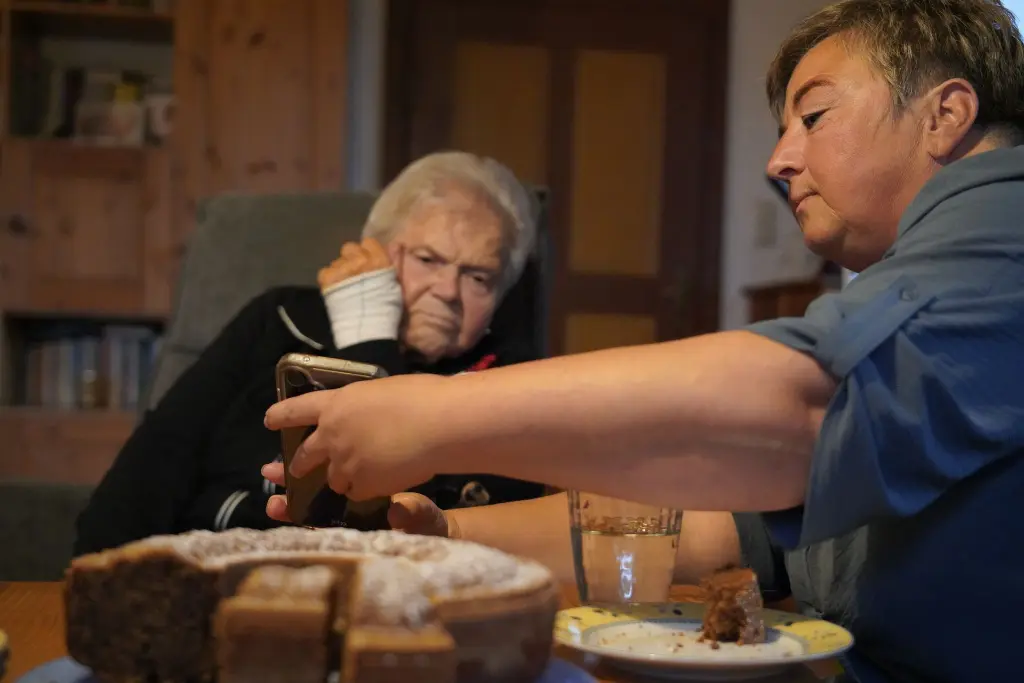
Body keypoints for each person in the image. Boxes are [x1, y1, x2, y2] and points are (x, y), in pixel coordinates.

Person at [263, 1, 1024, 681]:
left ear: (945, 113)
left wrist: (432, 417)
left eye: (813, 116)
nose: (778, 160)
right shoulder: (926, 276)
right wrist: (447, 532)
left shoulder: (1008, 230)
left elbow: (803, 408)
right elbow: (716, 525)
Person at [74, 151, 548, 556]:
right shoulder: (278, 319)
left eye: (478, 277)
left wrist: (370, 346)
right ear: (373, 254)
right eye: (427, 260)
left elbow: (409, 535)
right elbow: (141, 481)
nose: (447, 290)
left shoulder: (508, 380)